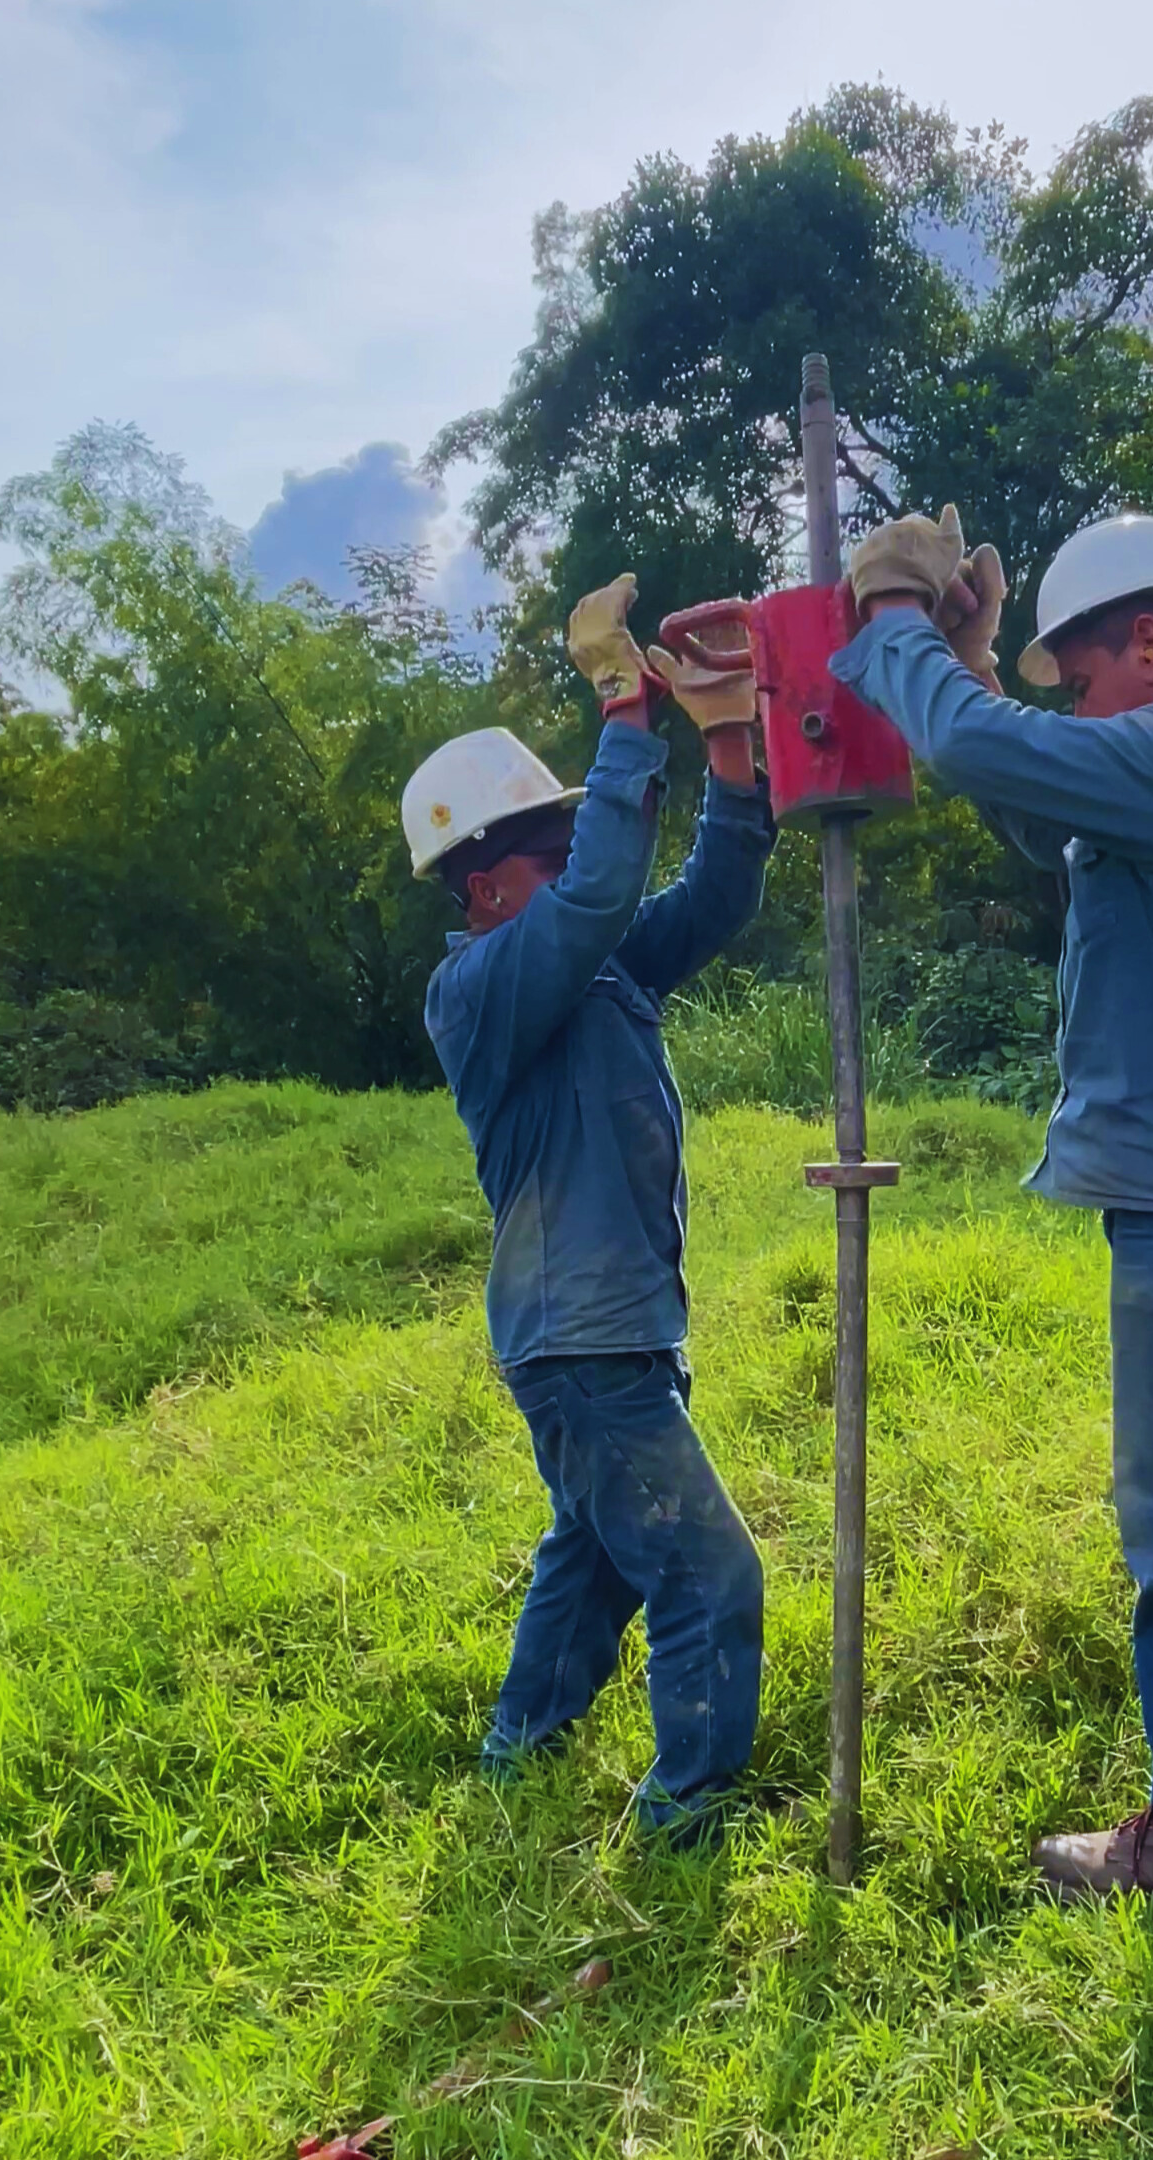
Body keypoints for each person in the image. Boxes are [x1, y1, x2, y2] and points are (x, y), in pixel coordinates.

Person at [828, 508, 1153, 1906]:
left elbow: (1009, 758)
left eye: (1087, 679)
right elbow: (1034, 786)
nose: (1086, 709)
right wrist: (977, 679)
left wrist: (893, 630)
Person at [401, 573, 777, 1844]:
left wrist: (727, 740)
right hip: (582, 1335)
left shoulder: (590, 960)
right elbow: (610, 887)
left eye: (570, 845)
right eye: (548, 850)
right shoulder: (485, 988)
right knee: (707, 1570)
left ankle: (520, 1749)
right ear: (484, 886)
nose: (573, 864)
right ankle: (687, 1814)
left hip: (600, 1325)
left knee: (600, 1549)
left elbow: (712, 897)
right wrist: (626, 711)